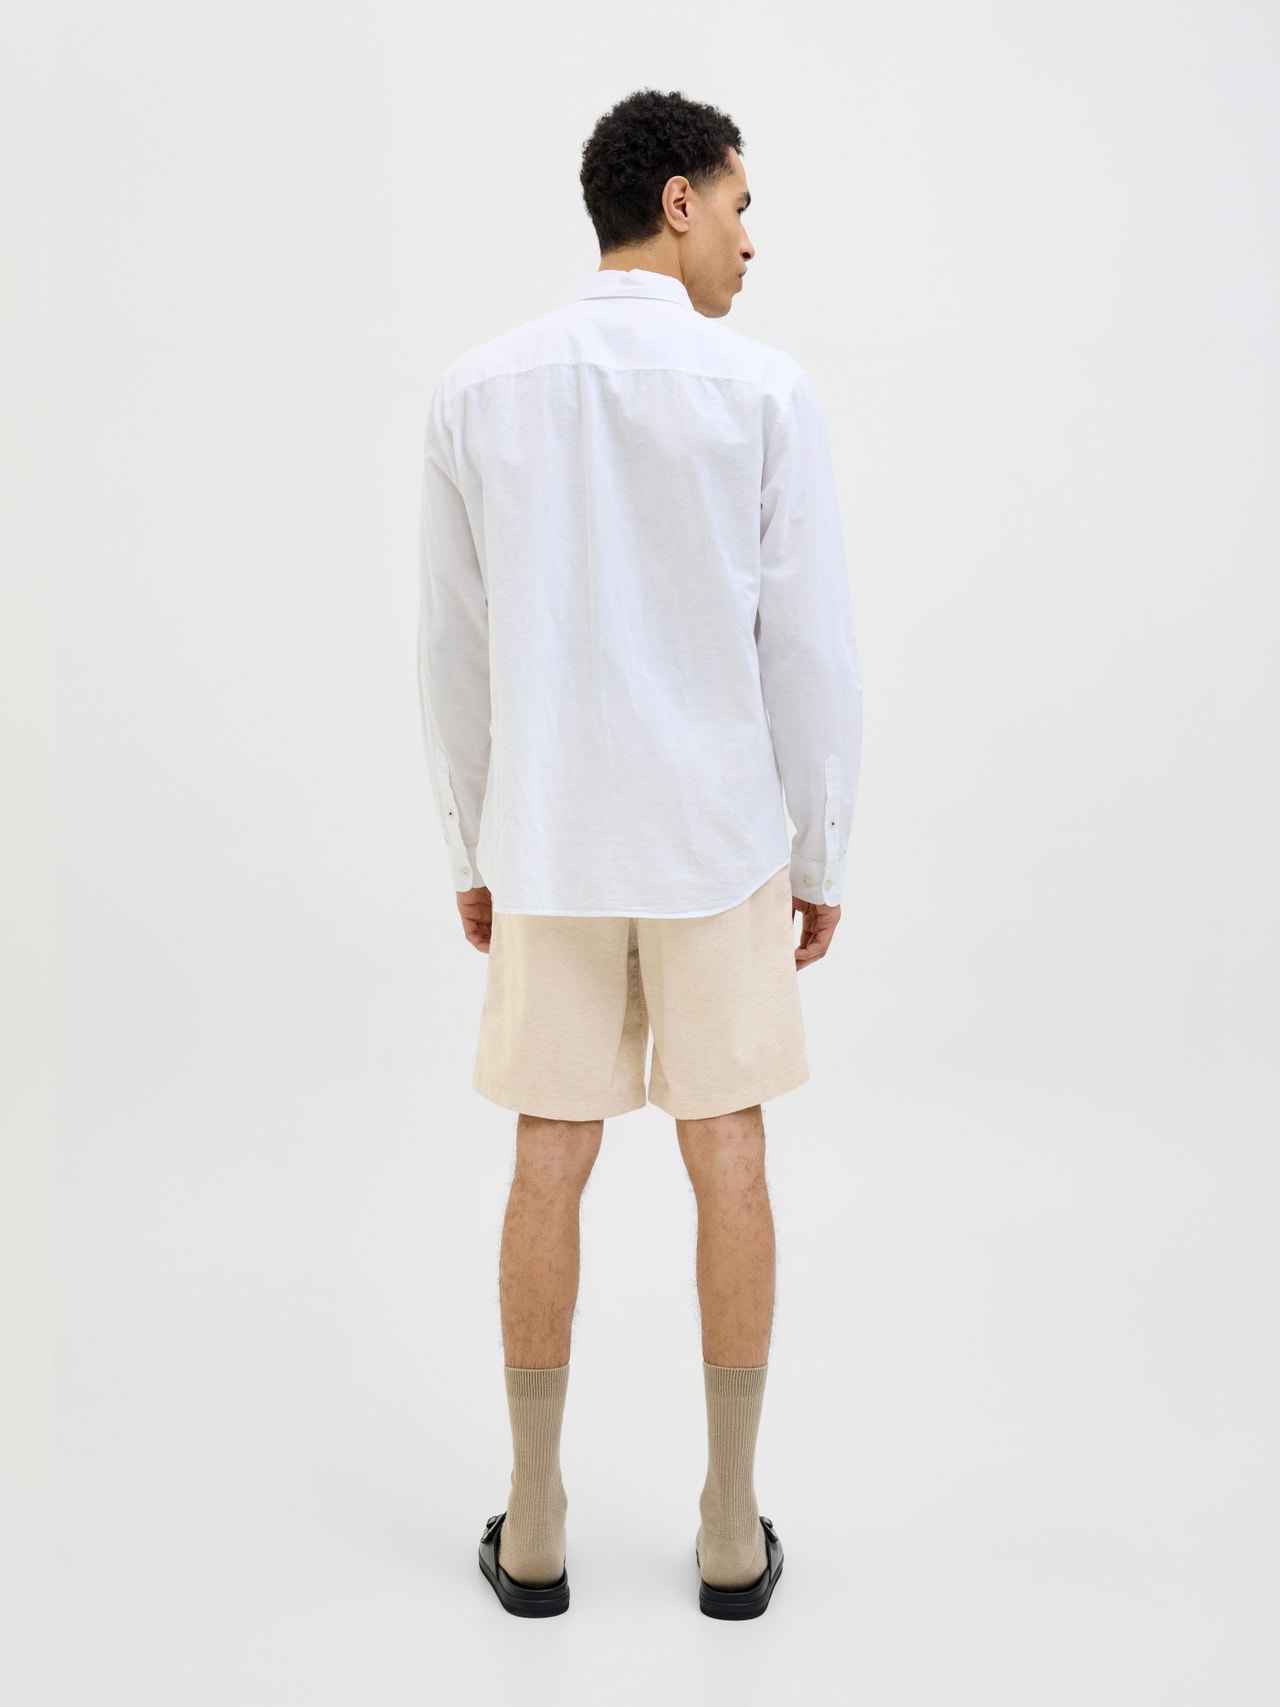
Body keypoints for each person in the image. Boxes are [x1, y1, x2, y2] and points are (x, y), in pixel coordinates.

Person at [417, 87, 862, 1620]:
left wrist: (470, 837)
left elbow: (453, 647)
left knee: (548, 1156)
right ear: (678, 202)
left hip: (548, 837)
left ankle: (535, 1518)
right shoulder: (765, 390)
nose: (750, 238)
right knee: (728, 1152)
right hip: (716, 840)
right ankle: (731, 1524)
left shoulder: (479, 389)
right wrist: (822, 849)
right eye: (739, 205)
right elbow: (809, 648)